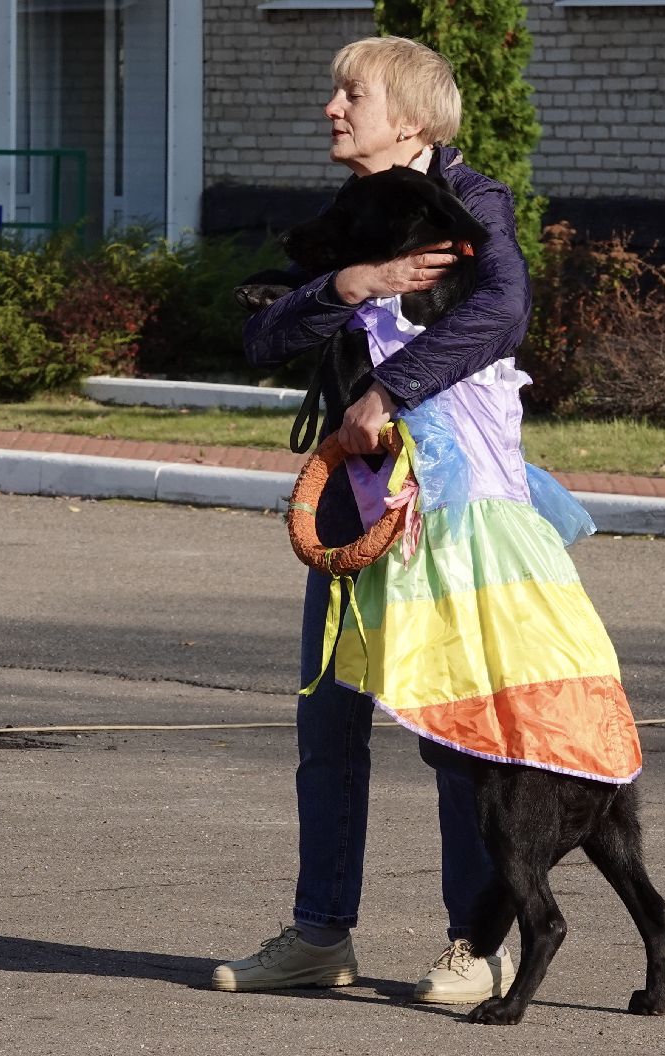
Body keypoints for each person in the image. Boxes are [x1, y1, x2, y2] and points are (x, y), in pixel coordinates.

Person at [211, 35, 532, 1005]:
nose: (331, 109)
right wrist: (342, 287)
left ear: (413, 120)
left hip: (449, 507)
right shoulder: (352, 218)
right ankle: (319, 936)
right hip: (352, 504)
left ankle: (479, 947)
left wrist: (389, 390)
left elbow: (501, 315)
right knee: (329, 727)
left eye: (352, 94)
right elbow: (262, 333)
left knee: (452, 735)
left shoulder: (472, 203)